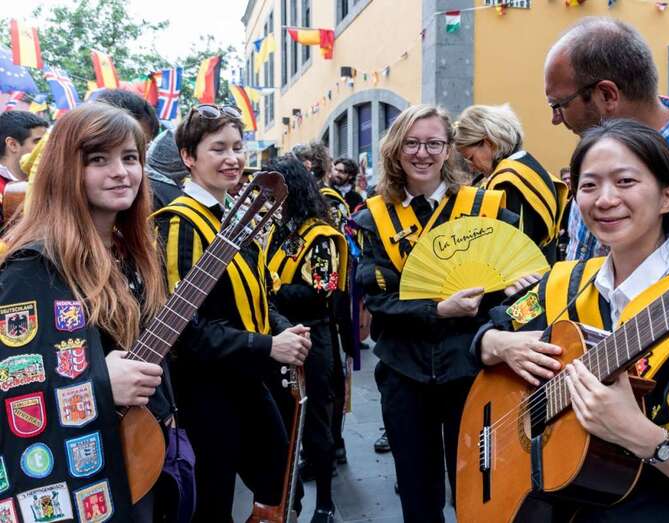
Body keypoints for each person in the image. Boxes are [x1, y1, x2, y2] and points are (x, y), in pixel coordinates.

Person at [476, 119, 669, 521]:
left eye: (625, 182)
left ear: (667, 197)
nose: (604, 200)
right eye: (588, 186)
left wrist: (640, 435)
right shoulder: (565, 283)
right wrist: (498, 345)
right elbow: (488, 332)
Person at [0, 104, 168, 521]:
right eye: (98, 160)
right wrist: (98, 382)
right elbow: (14, 384)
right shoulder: (32, 266)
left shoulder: (131, 252)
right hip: (79, 489)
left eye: (130, 158)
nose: (121, 172)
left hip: (137, 461)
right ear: (64, 169)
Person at [354, 104, 519, 522]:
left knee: (478, 489)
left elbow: (513, 296)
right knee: (417, 492)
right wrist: (439, 309)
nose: (422, 153)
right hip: (403, 374)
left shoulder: (487, 210)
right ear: (395, 150)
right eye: (411, 143)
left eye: (433, 143)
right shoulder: (374, 218)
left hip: (472, 373)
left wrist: (505, 299)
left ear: (449, 151)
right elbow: (379, 300)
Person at [153, 104, 312, 521]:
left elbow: (257, 292)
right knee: (212, 503)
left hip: (247, 376)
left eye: (238, 147)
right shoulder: (179, 224)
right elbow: (184, 331)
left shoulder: (237, 214)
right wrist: (268, 345)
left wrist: (284, 330)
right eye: (218, 148)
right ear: (189, 156)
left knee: (281, 485)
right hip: (203, 391)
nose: (233, 159)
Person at [544, 18, 669, 313]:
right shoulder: (597, 153)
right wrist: (493, 338)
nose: (555, 119)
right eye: (589, 185)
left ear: (607, 95)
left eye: (559, 105)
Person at [266, 157, 348, 522]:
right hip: (277, 335)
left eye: (273, 190)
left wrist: (272, 291)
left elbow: (323, 289)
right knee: (281, 424)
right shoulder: (277, 229)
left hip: (313, 337)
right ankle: (291, 498)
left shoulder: (321, 235)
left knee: (316, 424)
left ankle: (325, 503)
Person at [454, 103, 568, 263]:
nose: (471, 166)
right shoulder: (528, 164)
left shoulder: (507, 181)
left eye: (471, 158)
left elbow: (514, 250)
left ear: (489, 143)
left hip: (524, 281)